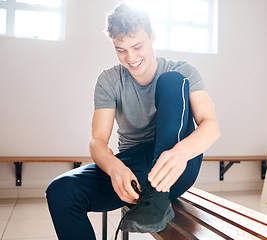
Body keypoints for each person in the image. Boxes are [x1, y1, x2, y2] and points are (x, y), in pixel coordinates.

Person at [46, 3, 219, 239]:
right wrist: (115, 168)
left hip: (178, 162)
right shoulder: (109, 80)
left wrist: (180, 153)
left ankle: (159, 194)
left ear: (153, 37)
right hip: (135, 166)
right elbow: (97, 141)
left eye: (137, 46)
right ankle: (151, 191)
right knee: (60, 190)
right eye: (121, 50)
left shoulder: (183, 71)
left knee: (172, 81)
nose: (131, 57)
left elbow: (210, 125)